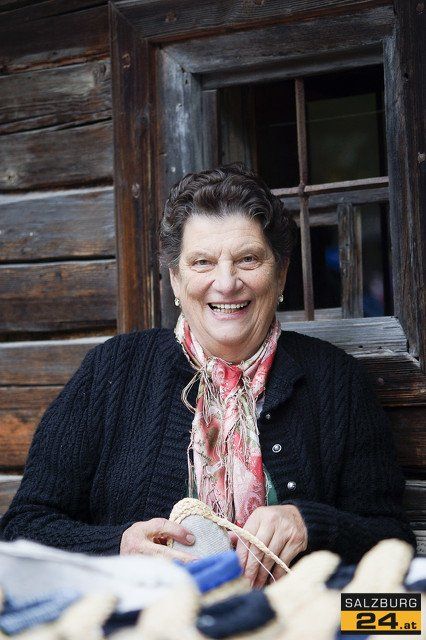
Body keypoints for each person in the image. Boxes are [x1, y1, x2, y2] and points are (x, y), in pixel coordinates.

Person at [0, 164, 415, 588]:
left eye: (248, 259)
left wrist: (310, 524)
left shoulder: (337, 381)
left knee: (403, 616)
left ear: (280, 273)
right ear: (176, 280)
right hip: (149, 618)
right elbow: (23, 527)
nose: (226, 283)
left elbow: (392, 540)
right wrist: (118, 546)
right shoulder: (111, 370)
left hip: (293, 616)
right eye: (202, 262)